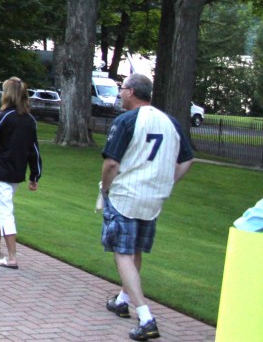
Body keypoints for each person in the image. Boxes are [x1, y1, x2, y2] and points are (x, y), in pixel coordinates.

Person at [102, 73, 194, 341]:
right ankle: (121, 300)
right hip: (154, 198)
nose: (120, 93)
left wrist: (106, 187)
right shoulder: (170, 122)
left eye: (122, 89)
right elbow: (187, 160)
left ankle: (145, 316)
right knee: (135, 248)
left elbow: (111, 163)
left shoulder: (127, 121)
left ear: (131, 92)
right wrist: (167, 181)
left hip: (126, 194)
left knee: (122, 252)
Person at [0, 77, 42, 269]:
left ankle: (12, 256)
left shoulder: (2, 117)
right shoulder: (29, 120)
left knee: (5, 210)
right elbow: (34, 150)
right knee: (3, 203)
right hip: (16, 171)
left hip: (1, 170)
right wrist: (34, 174)